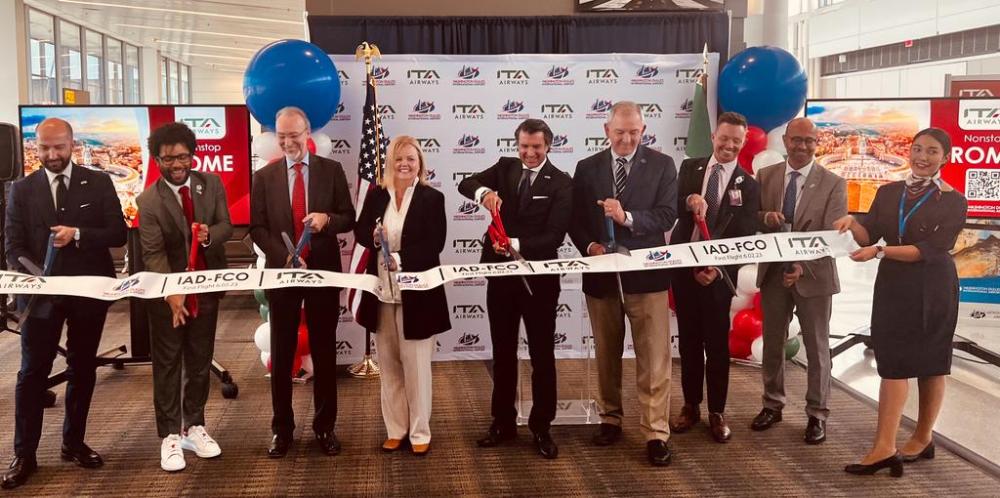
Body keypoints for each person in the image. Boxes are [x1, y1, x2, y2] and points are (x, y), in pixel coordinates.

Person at [2, 118, 128, 489]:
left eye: (58, 146)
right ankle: (25, 454)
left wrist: (79, 235)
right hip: (39, 296)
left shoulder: (99, 181)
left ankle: (73, 443)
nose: (51, 154)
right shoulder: (21, 189)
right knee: (31, 373)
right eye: (44, 147)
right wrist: (36, 274)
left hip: (88, 291)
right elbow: (13, 246)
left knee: (83, 367)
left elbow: (117, 233)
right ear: (35, 146)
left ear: (72, 144)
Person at [835, 128, 967, 477]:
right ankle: (886, 445)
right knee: (892, 361)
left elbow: (931, 249)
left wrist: (880, 251)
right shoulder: (889, 191)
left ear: (946, 158)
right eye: (918, 149)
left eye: (932, 151)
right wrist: (853, 225)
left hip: (933, 286)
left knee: (931, 362)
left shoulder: (954, 201)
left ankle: (921, 438)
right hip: (894, 284)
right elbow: (871, 232)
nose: (922, 157)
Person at [569, 101, 678, 466]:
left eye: (634, 133)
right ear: (606, 130)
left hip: (647, 278)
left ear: (643, 131)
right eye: (620, 133)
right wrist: (590, 246)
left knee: (654, 358)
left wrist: (626, 217)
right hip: (601, 278)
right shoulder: (587, 168)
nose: (627, 139)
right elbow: (575, 218)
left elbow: (667, 215)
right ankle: (610, 418)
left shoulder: (663, 165)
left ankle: (656, 432)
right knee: (606, 353)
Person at [458, 118, 573, 460]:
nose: (529, 153)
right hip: (500, 277)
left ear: (548, 145)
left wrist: (513, 244)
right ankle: (502, 423)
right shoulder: (505, 167)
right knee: (503, 352)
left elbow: (555, 237)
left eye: (536, 147)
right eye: (524, 146)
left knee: (542, 356)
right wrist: (485, 193)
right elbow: (466, 183)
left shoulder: (562, 182)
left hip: (540, 282)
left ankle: (541, 427)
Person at [249, 106, 355, 458]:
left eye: (293, 135)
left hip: (322, 273)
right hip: (282, 274)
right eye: (281, 137)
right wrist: (284, 255)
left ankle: (325, 428)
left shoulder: (331, 170)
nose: (287, 142)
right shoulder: (264, 177)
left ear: (307, 133)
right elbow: (257, 228)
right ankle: (282, 431)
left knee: (324, 352)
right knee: (281, 355)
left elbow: (348, 217)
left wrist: (327, 220)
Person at [136, 122, 233, 472]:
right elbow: (153, 253)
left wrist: (209, 235)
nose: (177, 164)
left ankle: (194, 427)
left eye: (182, 156)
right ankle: (169, 436)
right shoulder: (148, 200)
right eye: (168, 159)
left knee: (199, 359)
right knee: (167, 364)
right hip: (168, 295)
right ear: (157, 160)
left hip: (206, 287)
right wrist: (172, 293)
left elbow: (226, 225)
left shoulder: (212, 184)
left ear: (192, 155)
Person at [751, 117, 847, 445]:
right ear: (785, 141)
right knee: (772, 342)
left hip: (815, 276)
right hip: (774, 273)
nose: (802, 146)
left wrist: (803, 267)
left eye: (809, 141)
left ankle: (817, 414)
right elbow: (750, 217)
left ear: (817, 143)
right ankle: (772, 404)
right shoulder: (766, 176)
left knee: (817, 347)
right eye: (796, 140)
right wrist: (765, 217)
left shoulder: (834, 183)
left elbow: (833, 235)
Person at [354, 135, 450, 456]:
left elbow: (434, 243)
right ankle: (396, 430)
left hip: (417, 295)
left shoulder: (432, 198)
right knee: (390, 367)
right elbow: (360, 231)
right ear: (389, 163)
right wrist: (372, 236)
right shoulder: (377, 195)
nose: (404, 164)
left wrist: (400, 258)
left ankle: (420, 431)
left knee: (417, 367)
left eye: (410, 158)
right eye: (398, 159)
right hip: (381, 294)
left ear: (420, 162)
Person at [668, 112, 760, 443]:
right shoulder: (689, 168)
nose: (729, 145)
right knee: (689, 342)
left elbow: (745, 235)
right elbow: (670, 206)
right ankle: (690, 406)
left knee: (717, 347)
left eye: (736, 140)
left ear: (743, 142)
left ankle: (717, 412)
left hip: (719, 277)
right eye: (724, 138)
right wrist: (688, 200)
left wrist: (718, 269)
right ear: (713, 137)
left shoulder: (749, 185)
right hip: (684, 271)